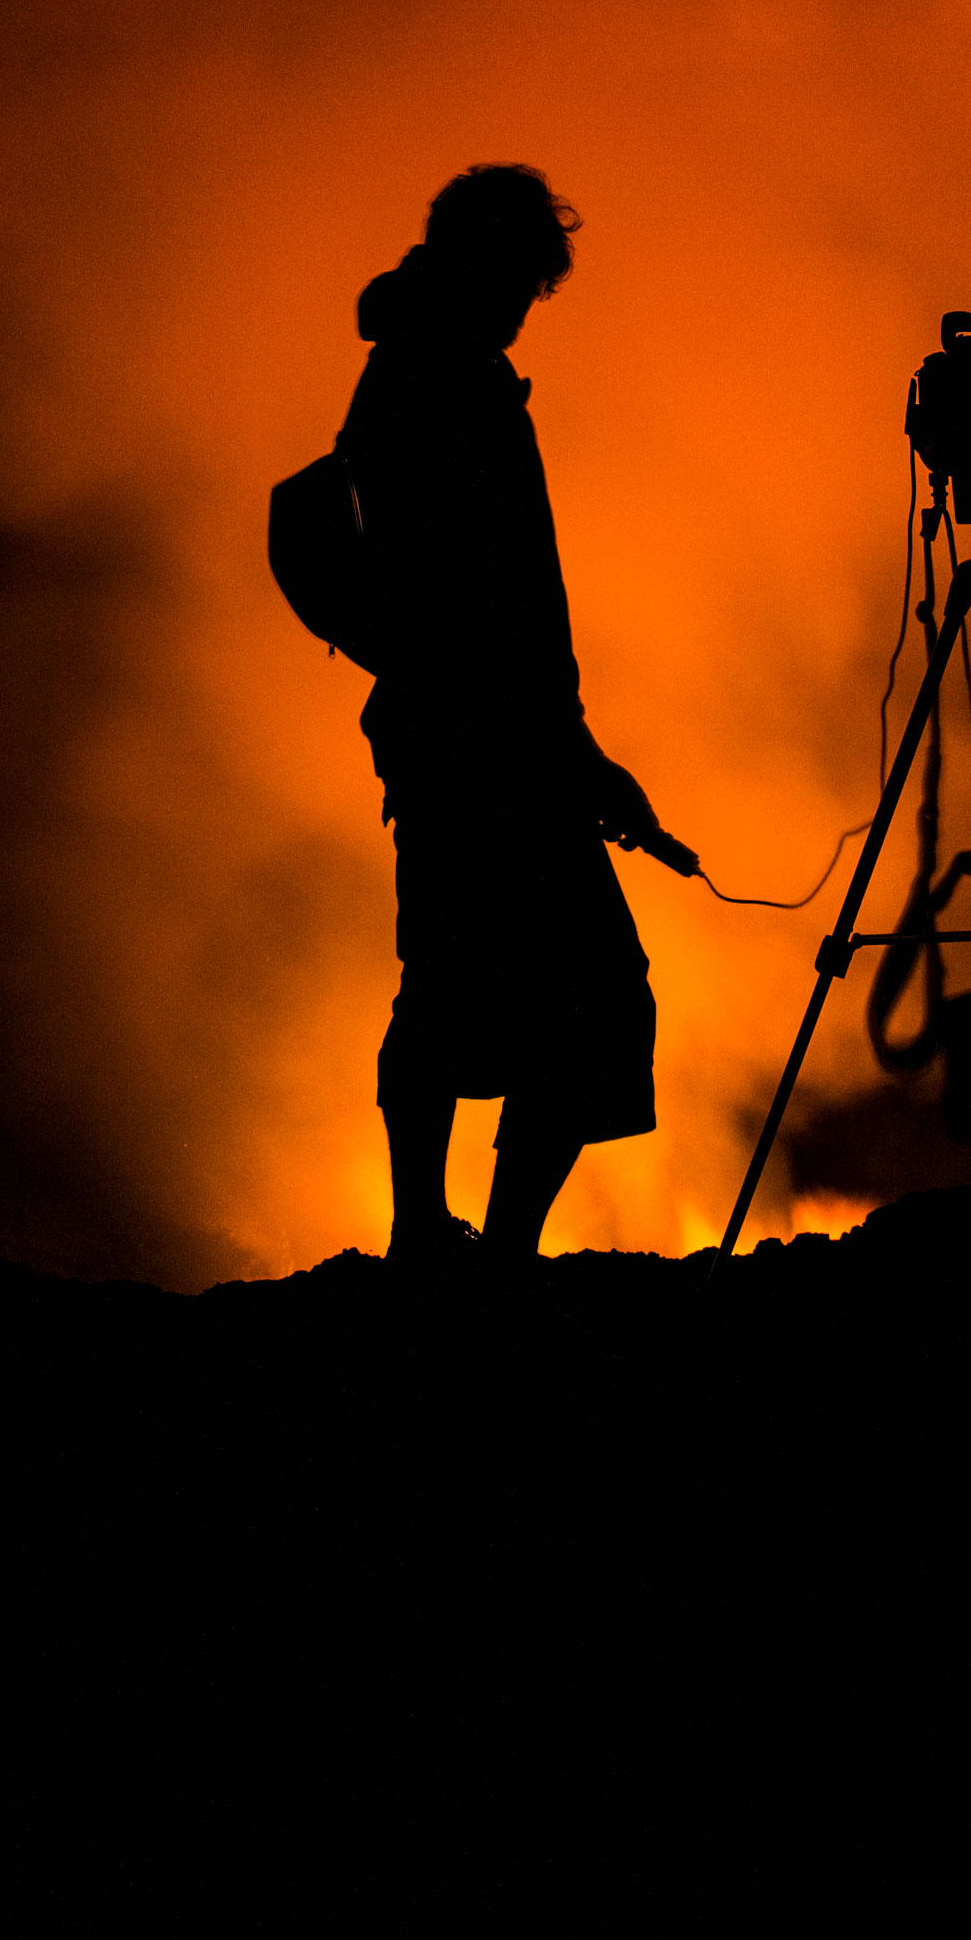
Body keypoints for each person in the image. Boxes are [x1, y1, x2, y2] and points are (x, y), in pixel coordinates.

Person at [336, 165, 692, 1268]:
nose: (522, 304)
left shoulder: (419, 368)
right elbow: (489, 602)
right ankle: (486, 1254)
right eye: (520, 281)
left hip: (472, 736)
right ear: (483, 262)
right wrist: (568, 755)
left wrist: (580, 756)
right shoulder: (443, 381)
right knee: (580, 1000)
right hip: (483, 739)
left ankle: (438, 1240)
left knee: (457, 982)